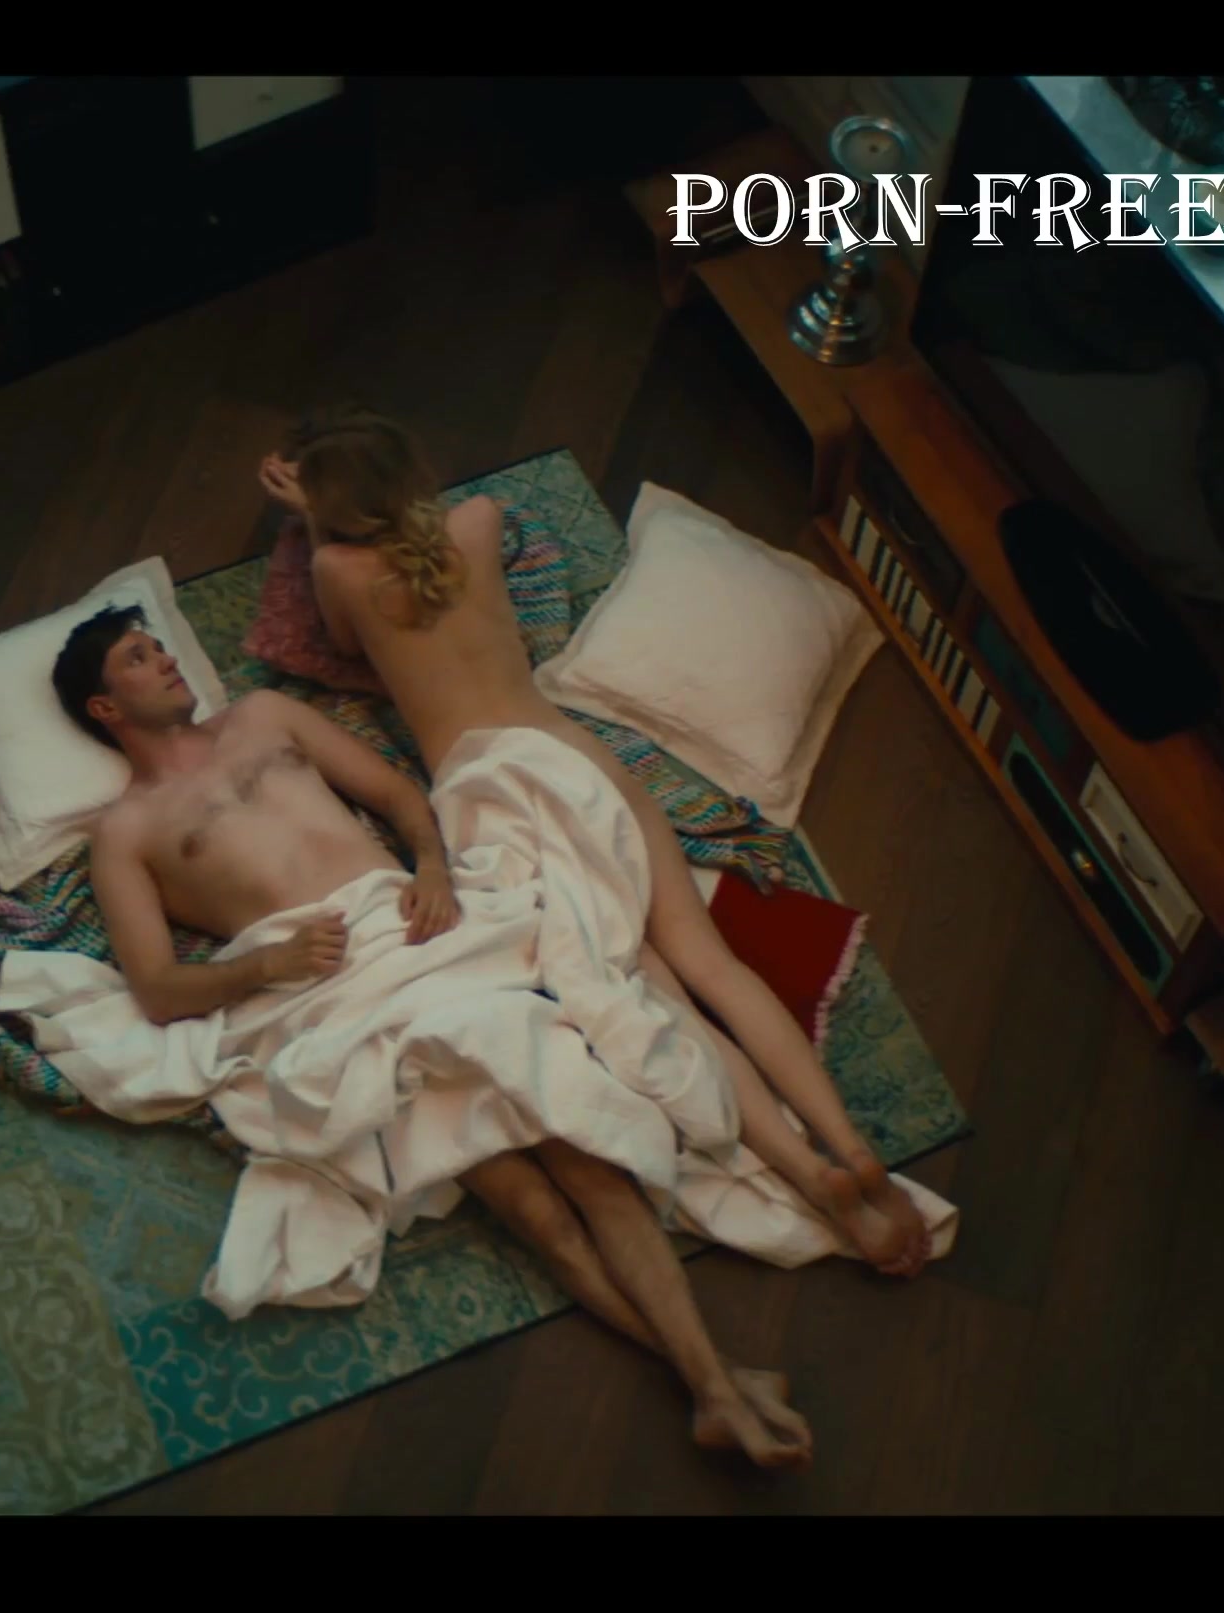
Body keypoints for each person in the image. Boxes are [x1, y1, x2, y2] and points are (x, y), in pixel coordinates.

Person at [57, 604, 813, 1469]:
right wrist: (265, 965)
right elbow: (157, 990)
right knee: (529, 1209)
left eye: (159, 645)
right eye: (138, 657)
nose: (165, 659)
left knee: (583, 1159)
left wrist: (430, 869)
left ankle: (714, 1388)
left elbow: (396, 796)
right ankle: (713, 1385)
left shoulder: (264, 715)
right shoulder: (125, 833)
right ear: (104, 708)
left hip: (416, 937)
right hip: (330, 999)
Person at [259, 407, 933, 1276]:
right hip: (571, 757)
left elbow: (341, 642)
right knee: (713, 962)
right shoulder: (479, 523)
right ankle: (852, 1148)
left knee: (658, 996)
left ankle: (807, 1175)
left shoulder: (335, 568)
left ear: (333, 510)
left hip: (491, 796)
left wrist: (313, 521)